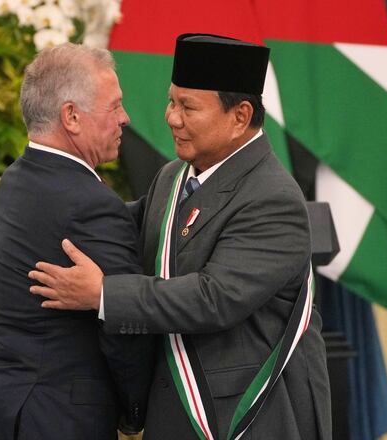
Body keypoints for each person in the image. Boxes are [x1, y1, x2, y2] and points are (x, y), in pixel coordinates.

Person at [29, 34, 332, 440]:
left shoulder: (273, 198)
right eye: (172, 101)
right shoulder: (173, 176)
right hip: (173, 415)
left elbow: (214, 299)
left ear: (240, 116)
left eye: (188, 107)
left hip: (247, 418)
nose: (171, 117)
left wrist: (103, 295)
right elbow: (114, 227)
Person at [0, 43, 154, 440]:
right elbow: (126, 331)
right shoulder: (92, 204)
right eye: (114, 106)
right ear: (71, 116)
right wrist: (135, 413)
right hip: (59, 420)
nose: (125, 118)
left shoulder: (15, 180)